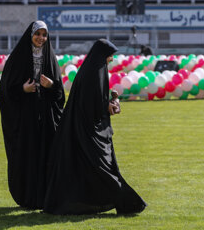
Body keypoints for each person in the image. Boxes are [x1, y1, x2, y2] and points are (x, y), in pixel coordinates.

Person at [43, 39, 147, 215]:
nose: (111, 60)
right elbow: (92, 104)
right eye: (109, 56)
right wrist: (110, 105)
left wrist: (109, 102)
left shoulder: (92, 70)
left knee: (91, 169)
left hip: (83, 129)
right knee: (102, 168)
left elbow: (94, 101)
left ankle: (89, 203)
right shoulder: (95, 71)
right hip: (88, 131)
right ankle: (129, 202)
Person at [0, 21, 65, 210]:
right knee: (27, 156)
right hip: (25, 119)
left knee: (47, 155)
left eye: (44, 35)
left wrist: (50, 86)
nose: (41, 38)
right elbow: (6, 89)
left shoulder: (50, 58)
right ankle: (27, 196)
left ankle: (46, 196)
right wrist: (23, 89)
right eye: (38, 34)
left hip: (45, 119)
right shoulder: (18, 57)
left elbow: (60, 94)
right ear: (31, 35)